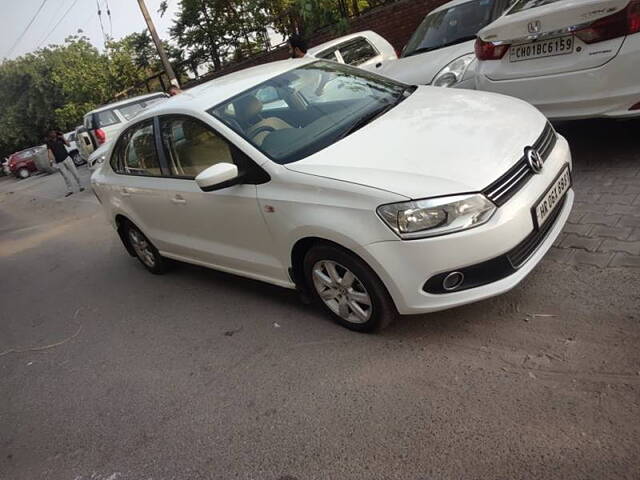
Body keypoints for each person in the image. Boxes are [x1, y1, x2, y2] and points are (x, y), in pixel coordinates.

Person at [46, 130, 83, 197]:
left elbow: (68, 145)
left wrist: (63, 137)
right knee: (66, 176)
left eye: (54, 132)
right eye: (51, 133)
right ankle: (70, 190)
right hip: (59, 162)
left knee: (74, 172)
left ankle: (80, 185)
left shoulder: (60, 138)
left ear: (55, 133)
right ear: (50, 135)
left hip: (67, 158)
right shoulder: (49, 142)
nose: (53, 134)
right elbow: (49, 152)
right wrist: (51, 161)